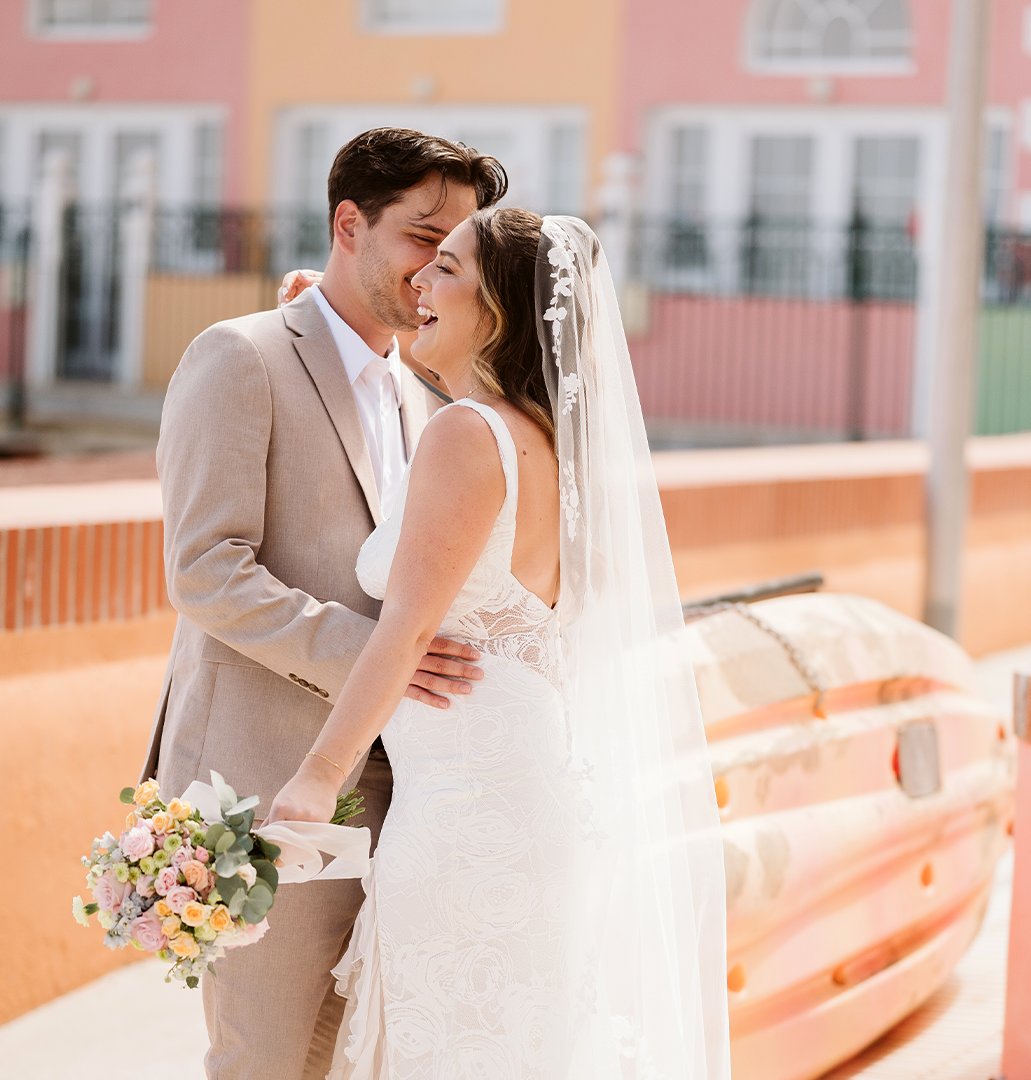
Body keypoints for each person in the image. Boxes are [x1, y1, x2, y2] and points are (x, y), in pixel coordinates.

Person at [266, 209, 731, 1079]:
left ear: (502, 310)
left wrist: (317, 777)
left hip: (464, 815)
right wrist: (313, 310)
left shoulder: (466, 436)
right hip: (529, 796)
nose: (418, 286)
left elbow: (404, 629)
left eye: (443, 269)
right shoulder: (548, 446)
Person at [140, 128, 508, 1080]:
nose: (438, 266)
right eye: (421, 236)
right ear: (350, 223)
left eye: (458, 245)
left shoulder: (431, 395)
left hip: (414, 790)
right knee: (263, 1060)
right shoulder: (242, 356)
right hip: (264, 779)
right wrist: (377, 653)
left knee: (357, 1056)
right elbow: (206, 568)